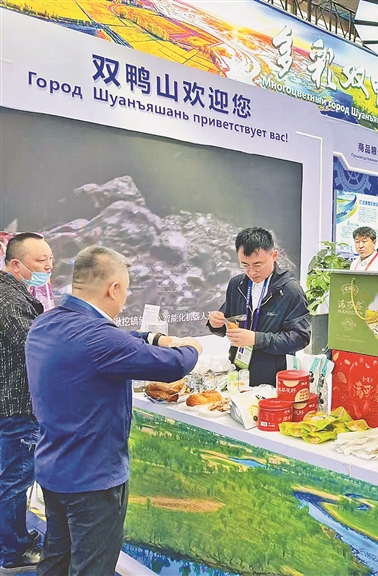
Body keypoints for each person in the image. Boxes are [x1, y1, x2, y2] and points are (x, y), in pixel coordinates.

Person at [26, 246, 201, 575]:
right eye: (127, 289)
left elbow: (117, 340)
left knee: (56, 558)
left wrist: (152, 336)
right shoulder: (99, 339)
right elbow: (174, 365)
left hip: (53, 467)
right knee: (92, 567)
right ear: (114, 289)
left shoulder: (46, 323)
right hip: (93, 479)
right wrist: (192, 347)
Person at [0, 233, 52, 571]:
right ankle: (13, 552)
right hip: (17, 405)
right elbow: (36, 346)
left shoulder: (14, 293)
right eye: (40, 261)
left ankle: (13, 539)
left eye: (50, 259)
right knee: (16, 480)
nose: (48, 266)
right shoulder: (8, 300)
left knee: (12, 477)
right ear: (16, 264)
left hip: (13, 403)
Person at [208, 227, 310, 386]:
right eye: (244, 265)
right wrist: (216, 323)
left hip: (274, 378)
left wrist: (257, 339)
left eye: (258, 265)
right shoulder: (237, 284)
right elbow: (227, 318)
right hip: (238, 374)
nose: (251, 272)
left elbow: (300, 338)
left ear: (274, 256)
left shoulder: (290, 291)